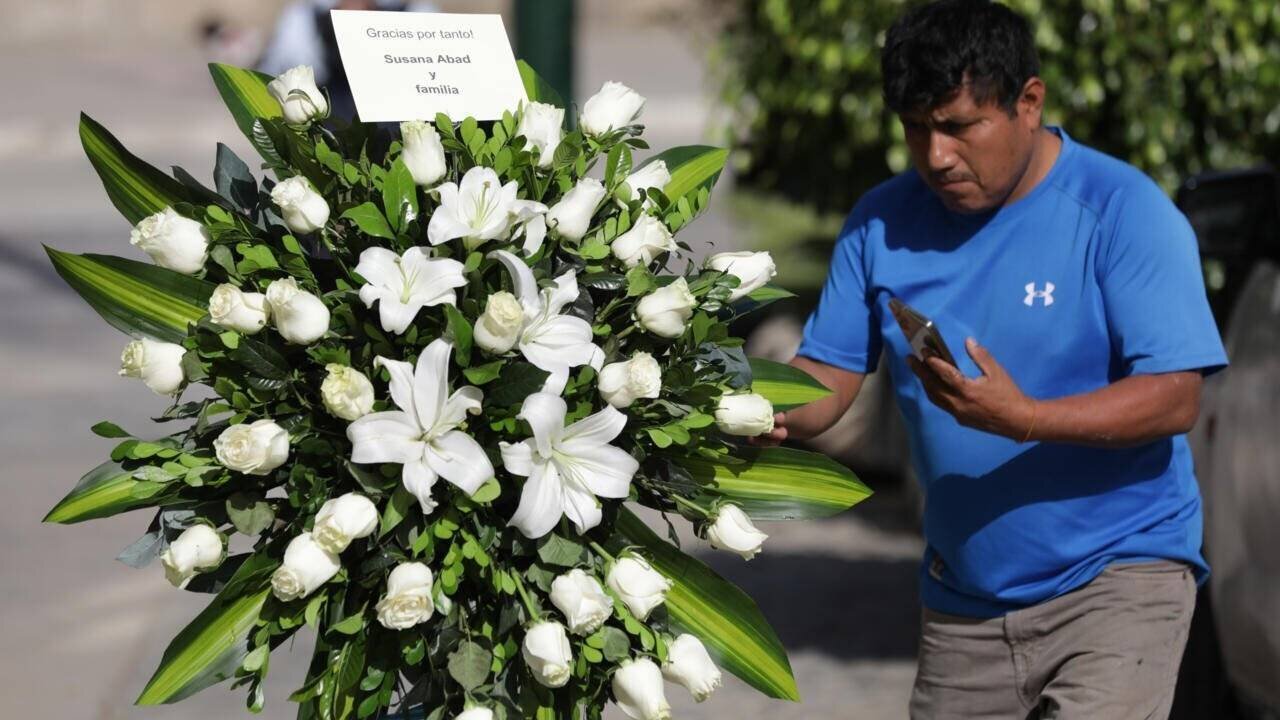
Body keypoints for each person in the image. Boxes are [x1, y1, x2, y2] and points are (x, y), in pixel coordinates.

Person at [753, 1, 1228, 717]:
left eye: (958, 126)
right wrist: (752, 407)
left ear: (1028, 103)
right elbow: (827, 380)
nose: (935, 155)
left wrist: (1026, 418)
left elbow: (1174, 396)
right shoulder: (881, 223)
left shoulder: (1124, 212)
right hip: (964, 600)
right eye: (916, 129)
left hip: (1118, 579)